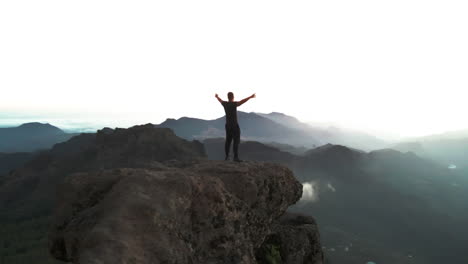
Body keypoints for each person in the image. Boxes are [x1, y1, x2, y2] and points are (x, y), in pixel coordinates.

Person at [215, 92, 256, 162]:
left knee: (228, 141)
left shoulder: (225, 104)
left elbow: (220, 100)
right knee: (236, 141)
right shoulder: (234, 104)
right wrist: (250, 97)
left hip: (228, 125)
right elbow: (242, 101)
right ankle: (235, 157)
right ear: (233, 97)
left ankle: (227, 157)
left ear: (228, 97)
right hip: (234, 125)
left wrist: (217, 97)